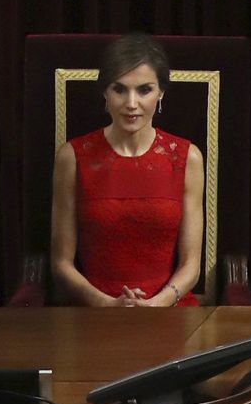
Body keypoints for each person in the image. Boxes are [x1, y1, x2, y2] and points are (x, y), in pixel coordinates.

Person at [50, 33, 204, 307]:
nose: (131, 103)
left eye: (144, 90)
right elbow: (61, 263)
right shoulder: (72, 157)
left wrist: (156, 304)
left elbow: (191, 265)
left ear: (161, 93)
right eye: (119, 89)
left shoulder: (187, 158)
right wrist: (107, 304)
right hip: (95, 312)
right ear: (105, 93)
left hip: (169, 311)